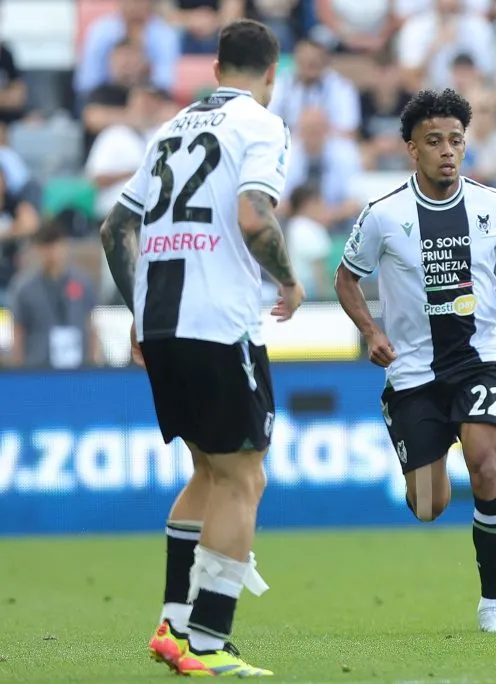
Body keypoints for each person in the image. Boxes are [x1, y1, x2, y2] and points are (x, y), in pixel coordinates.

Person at [99, 18, 304, 676]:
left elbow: (114, 229)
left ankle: (174, 625)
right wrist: (290, 278)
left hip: (161, 321)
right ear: (272, 74)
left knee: (209, 474)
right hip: (219, 322)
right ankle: (207, 644)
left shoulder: (168, 130)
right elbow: (254, 214)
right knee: (245, 477)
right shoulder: (261, 125)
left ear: (214, 70)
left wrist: (140, 308)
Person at [334, 88, 496, 633]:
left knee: (488, 464)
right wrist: (369, 329)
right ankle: (430, 442)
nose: (448, 151)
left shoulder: (495, 207)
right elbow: (345, 277)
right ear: (412, 149)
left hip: (479, 362)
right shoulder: (383, 216)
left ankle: (493, 605)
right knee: (428, 504)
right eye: (434, 141)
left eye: (455, 140)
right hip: (412, 376)